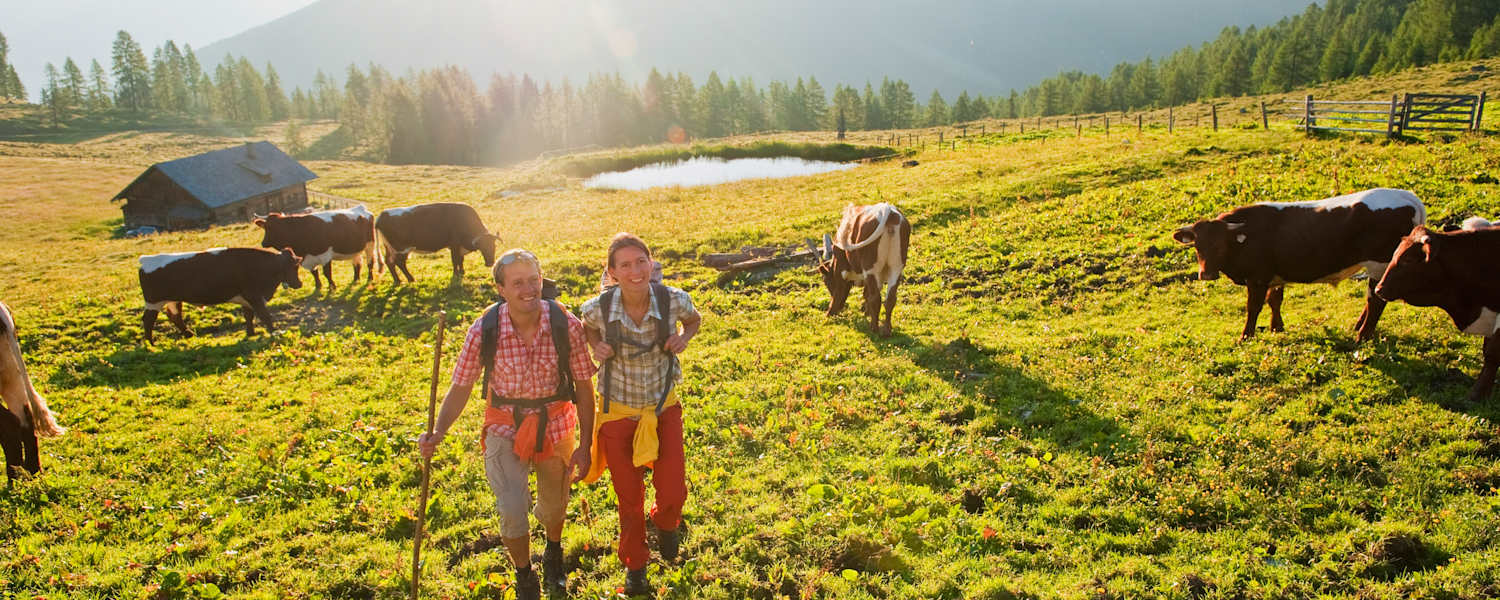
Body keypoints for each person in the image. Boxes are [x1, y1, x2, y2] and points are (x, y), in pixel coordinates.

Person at [418, 249, 596, 599]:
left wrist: (586, 445)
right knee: (513, 509)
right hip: (503, 425)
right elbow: (462, 385)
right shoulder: (485, 328)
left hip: (556, 421)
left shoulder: (564, 323)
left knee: (554, 506)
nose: (528, 289)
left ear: (542, 280)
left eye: (534, 280)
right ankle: (524, 573)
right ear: (500, 288)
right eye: (518, 283)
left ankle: (554, 551)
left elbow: (584, 387)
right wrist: (438, 431)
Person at [578, 233, 702, 596]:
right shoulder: (597, 308)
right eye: (625, 265)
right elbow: (586, 327)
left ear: (651, 262)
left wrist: (685, 337)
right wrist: (594, 343)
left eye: (640, 261)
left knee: (674, 489)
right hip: (617, 414)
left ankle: (666, 521)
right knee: (628, 498)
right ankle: (635, 566)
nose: (635, 270)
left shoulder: (673, 299)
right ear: (612, 273)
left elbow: (695, 320)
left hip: (664, 409)